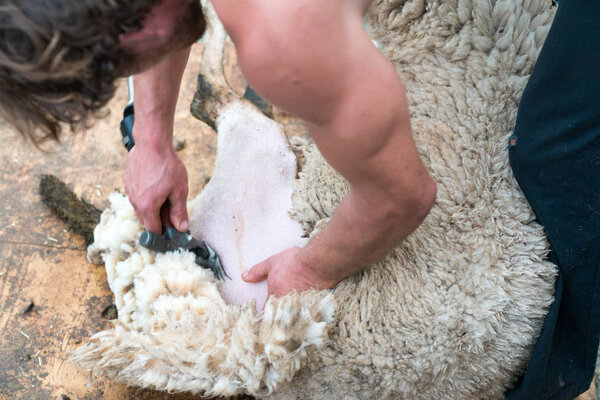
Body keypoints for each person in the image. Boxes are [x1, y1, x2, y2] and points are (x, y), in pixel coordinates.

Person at [1, 1, 595, 399]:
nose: (127, 73)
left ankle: (553, 372)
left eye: (119, 64)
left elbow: (406, 196)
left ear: (131, 28)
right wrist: (151, 139)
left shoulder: (283, 36)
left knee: (554, 145)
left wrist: (310, 267)